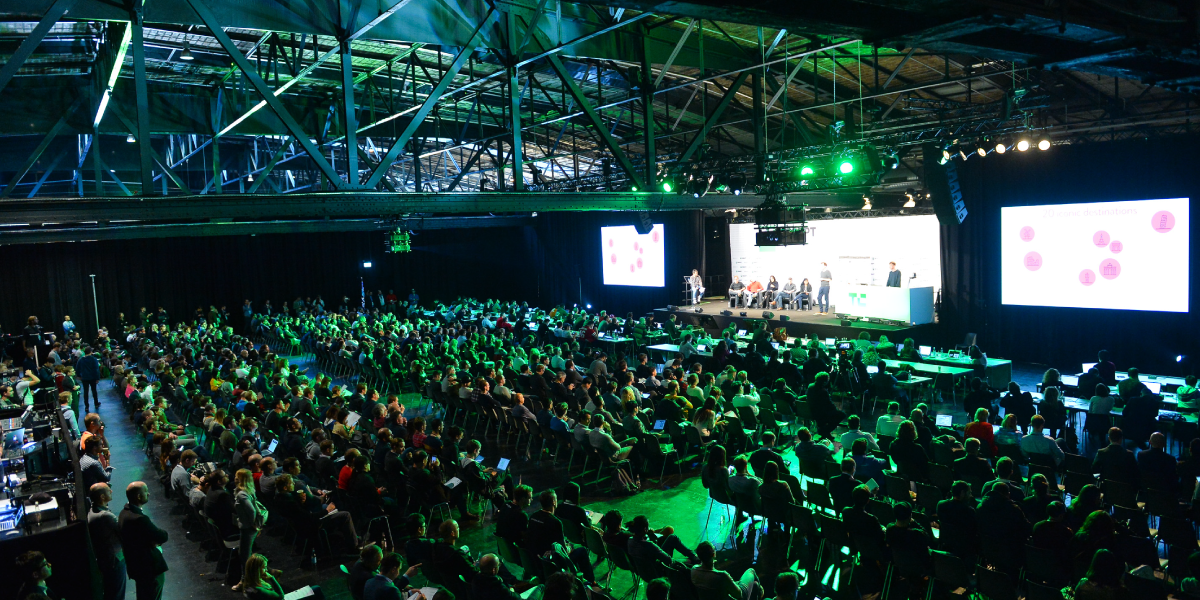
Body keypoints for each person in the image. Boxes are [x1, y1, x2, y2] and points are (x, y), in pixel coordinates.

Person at [119, 481, 169, 600]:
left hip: (137, 567)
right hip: (149, 569)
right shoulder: (139, 519)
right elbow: (162, 536)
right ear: (139, 496)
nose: (149, 494)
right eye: (146, 491)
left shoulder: (123, 513)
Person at [89, 482, 127, 600]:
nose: (111, 491)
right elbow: (122, 532)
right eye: (108, 490)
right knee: (117, 593)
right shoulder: (105, 516)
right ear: (102, 497)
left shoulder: (93, 511)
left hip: (105, 559)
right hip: (114, 560)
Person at [232, 468, 268, 591]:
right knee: (245, 553)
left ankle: (246, 580)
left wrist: (253, 524)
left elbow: (251, 510)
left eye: (237, 476)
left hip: (247, 528)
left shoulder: (241, 494)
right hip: (249, 527)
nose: (235, 478)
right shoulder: (248, 491)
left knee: (244, 555)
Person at [691, 541, 762, 600]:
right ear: (714, 554)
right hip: (738, 595)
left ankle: (758, 589)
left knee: (755, 585)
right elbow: (739, 595)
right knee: (751, 571)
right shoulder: (721, 575)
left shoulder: (694, 570)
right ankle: (761, 591)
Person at [77, 346, 102, 412]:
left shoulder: (81, 360)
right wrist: (97, 378)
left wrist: (79, 375)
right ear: (91, 352)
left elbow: (77, 368)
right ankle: (96, 403)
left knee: (85, 392)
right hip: (93, 377)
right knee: (94, 390)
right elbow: (96, 369)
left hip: (84, 378)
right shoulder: (94, 359)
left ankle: (86, 406)